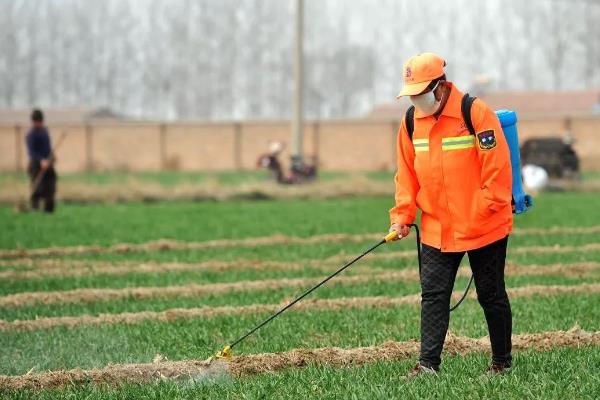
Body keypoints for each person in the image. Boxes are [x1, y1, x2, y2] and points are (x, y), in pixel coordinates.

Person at [389, 53, 513, 375]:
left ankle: (501, 362)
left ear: (440, 87)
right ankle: (428, 365)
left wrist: (478, 214)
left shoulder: (475, 113)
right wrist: (402, 216)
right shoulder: (410, 122)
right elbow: (406, 174)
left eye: (421, 93)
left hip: (484, 225)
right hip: (436, 228)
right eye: (411, 94)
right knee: (433, 295)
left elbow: (497, 174)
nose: (416, 100)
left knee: (491, 294)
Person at [26, 109, 57, 213]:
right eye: (36, 122)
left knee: (50, 187)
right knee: (37, 187)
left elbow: (48, 148)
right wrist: (41, 161)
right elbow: (32, 151)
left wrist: (51, 157)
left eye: (40, 121)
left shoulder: (45, 132)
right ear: (33, 121)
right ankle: (34, 209)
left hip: (48, 164)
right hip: (35, 164)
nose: (38, 124)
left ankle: (49, 211)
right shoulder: (30, 135)